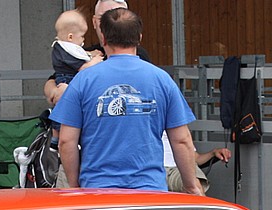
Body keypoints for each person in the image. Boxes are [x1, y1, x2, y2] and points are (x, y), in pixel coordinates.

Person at [50, 8, 200, 193]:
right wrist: (191, 186)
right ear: (139, 38)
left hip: (97, 192)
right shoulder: (162, 80)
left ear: (104, 38)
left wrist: (74, 186)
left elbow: (66, 141)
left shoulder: (83, 80)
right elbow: (182, 140)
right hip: (150, 191)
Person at [50, 10, 101, 88]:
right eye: (82, 36)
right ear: (70, 37)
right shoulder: (65, 51)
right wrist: (95, 61)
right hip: (67, 81)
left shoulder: (63, 48)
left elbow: (79, 54)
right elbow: (83, 68)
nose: (83, 39)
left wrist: (91, 53)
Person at [164, 143, 231, 193]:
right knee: (194, 186)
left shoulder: (180, 131)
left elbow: (196, 158)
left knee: (196, 185)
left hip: (181, 168)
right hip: (162, 169)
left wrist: (213, 152)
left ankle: (203, 207)